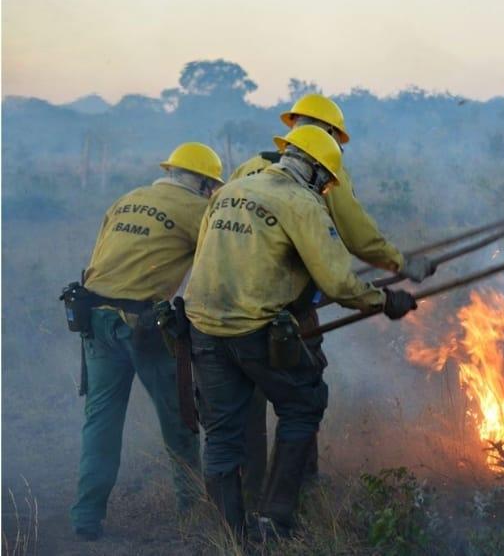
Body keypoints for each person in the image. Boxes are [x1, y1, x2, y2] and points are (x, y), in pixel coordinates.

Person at [184, 125, 418, 537]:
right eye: (326, 183)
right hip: (255, 329)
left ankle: (231, 537)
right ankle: (275, 520)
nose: (327, 190)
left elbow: (207, 254)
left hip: (201, 327)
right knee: (303, 405)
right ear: (313, 171)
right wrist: (385, 301)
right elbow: (339, 283)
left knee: (221, 434)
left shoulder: (229, 191)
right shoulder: (301, 201)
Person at [230, 94, 435, 509]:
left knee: (244, 407)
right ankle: (298, 492)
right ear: (325, 135)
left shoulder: (248, 167)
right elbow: (357, 234)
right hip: (284, 312)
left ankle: (248, 500)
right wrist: (400, 263)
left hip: (229, 311)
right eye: (335, 140)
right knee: (303, 397)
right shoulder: (319, 172)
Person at [68, 143, 224, 540]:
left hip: (94, 318)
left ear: (171, 172)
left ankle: (86, 518)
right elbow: (217, 269)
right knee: (180, 421)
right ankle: (192, 518)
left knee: (100, 422)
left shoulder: (128, 199)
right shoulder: (200, 210)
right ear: (205, 183)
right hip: (144, 327)